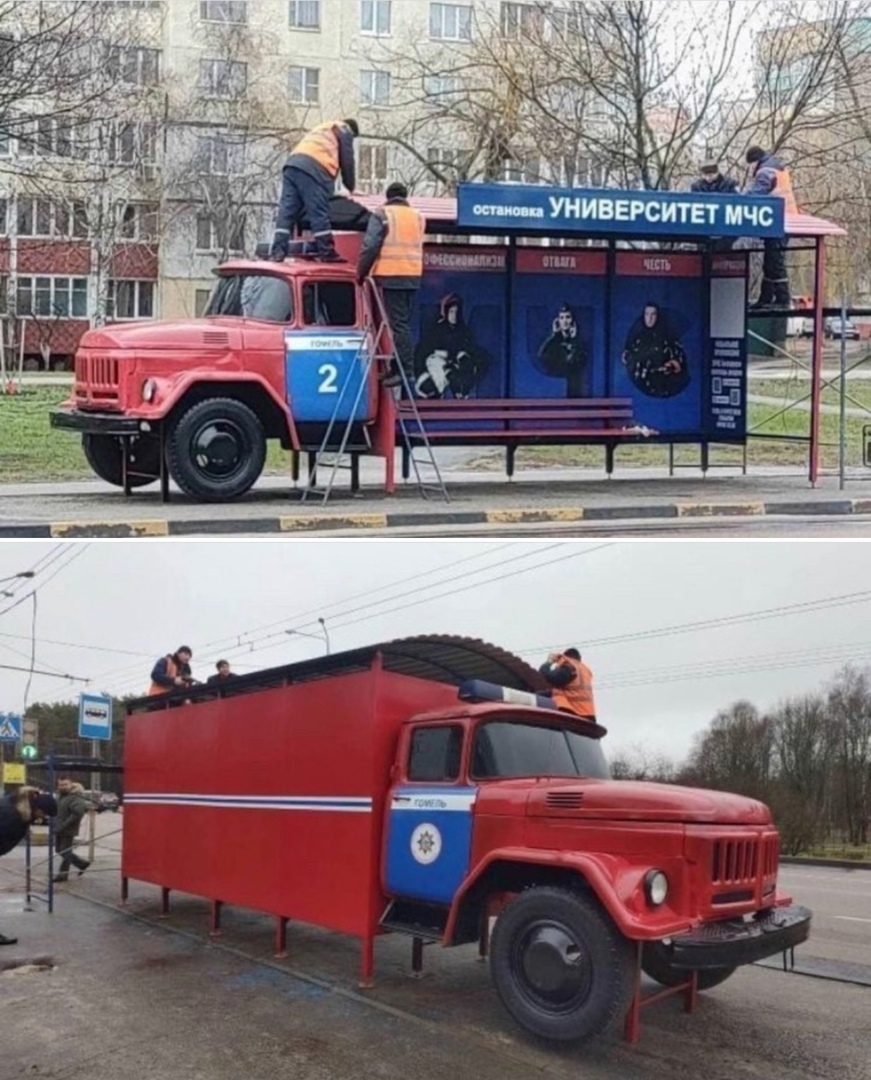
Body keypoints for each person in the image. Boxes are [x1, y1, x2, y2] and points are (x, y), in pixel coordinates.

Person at [356, 182, 426, 389]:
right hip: (412, 276)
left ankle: (405, 372)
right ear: (405, 196)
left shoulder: (383, 214)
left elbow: (370, 246)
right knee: (402, 324)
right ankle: (398, 367)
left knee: (399, 325)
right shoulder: (418, 217)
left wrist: (360, 273)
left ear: (388, 197)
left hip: (391, 274)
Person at [270, 119, 359, 264]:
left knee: (287, 212)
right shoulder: (344, 129)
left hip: (292, 164)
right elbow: (347, 160)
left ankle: (278, 252)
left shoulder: (324, 127)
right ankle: (326, 251)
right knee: (318, 211)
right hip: (313, 168)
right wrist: (351, 187)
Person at [0, 787, 57, 944]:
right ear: (38, 809)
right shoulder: (11, 815)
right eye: (44, 814)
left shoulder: (19, 808)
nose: (43, 818)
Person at [744, 145, 798, 309]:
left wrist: (740, 197)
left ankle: (782, 298)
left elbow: (757, 193)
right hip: (785, 218)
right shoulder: (776, 165)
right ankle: (766, 297)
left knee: (775, 261)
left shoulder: (765, 171)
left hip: (780, 221)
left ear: (754, 161)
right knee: (771, 260)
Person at [413, 293, 492, 399]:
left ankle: (461, 392)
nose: (453, 316)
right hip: (436, 369)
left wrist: (462, 357)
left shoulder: (464, 331)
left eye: (456, 312)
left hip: (456, 369)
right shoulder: (436, 331)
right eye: (451, 312)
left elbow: (470, 350)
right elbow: (423, 352)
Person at [622, 302, 690, 399]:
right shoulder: (637, 340)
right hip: (643, 386)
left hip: (664, 386)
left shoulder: (669, 339)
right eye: (647, 314)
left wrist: (671, 366)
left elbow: (680, 365)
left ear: (658, 316)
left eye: (653, 314)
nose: (649, 319)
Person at [536, 303, 589, 398]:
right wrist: (554, 336)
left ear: (573, 320)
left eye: (568, 317)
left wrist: (574, 340)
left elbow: (578, 363)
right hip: (555, 388)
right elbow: (542, 356)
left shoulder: (580, 342)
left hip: (574, 390)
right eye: (562, 318)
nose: (565, 321)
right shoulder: (554, 341)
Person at [691, 159, 739, 253]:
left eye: (711, 175)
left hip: (725, 229)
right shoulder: (696, 186)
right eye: (705, 175)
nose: (708, 178)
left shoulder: (729, 184)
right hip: (703, 229)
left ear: (717, 173)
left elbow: (736, 203)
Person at [539, 648, 596, 721]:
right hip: (588, 714)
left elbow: (551, 678)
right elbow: (569, 691)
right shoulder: (585, 670)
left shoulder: (570, 666)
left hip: (570, 711)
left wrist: (548, 662)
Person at [53, 779, 90, 884]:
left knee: (64, 850)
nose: (63, 787)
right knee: (59, 850)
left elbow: (77, 814)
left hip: (68, 829)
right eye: (60, 785)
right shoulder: (60, 797)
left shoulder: (76, 798)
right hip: (59, 828)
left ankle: (63, 874)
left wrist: (65, 825)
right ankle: (82, 864)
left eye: (65, 784)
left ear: (71, 785)